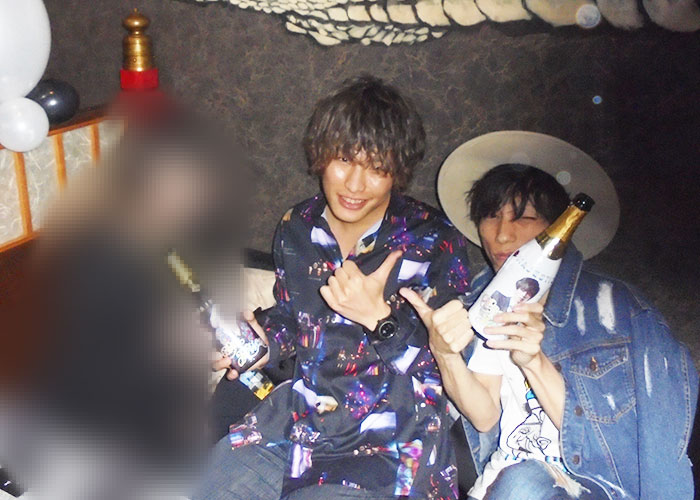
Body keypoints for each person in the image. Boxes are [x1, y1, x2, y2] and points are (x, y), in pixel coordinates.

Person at [193, 75, 471, 500]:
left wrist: (381, 321)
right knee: (206, 486)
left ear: (398, 172)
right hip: (298, 427)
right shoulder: (297, 227)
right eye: (344, 159)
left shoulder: (434, 239)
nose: (355, 184)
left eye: (377, 167)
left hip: (388, 447)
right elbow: (294, 318)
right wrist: (264, 344)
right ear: (320, 155)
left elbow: (449, 367)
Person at [401, 162, 698, 499]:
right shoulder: (488, 302)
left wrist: (534, 362)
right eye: (491, 216)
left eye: (524, 218)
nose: (501, 234)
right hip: (501, 484)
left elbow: (644, 445)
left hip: (598, 489)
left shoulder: (617, 309)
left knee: (523, 483)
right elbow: (483, 418)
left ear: (557, 228)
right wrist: (444, 354)